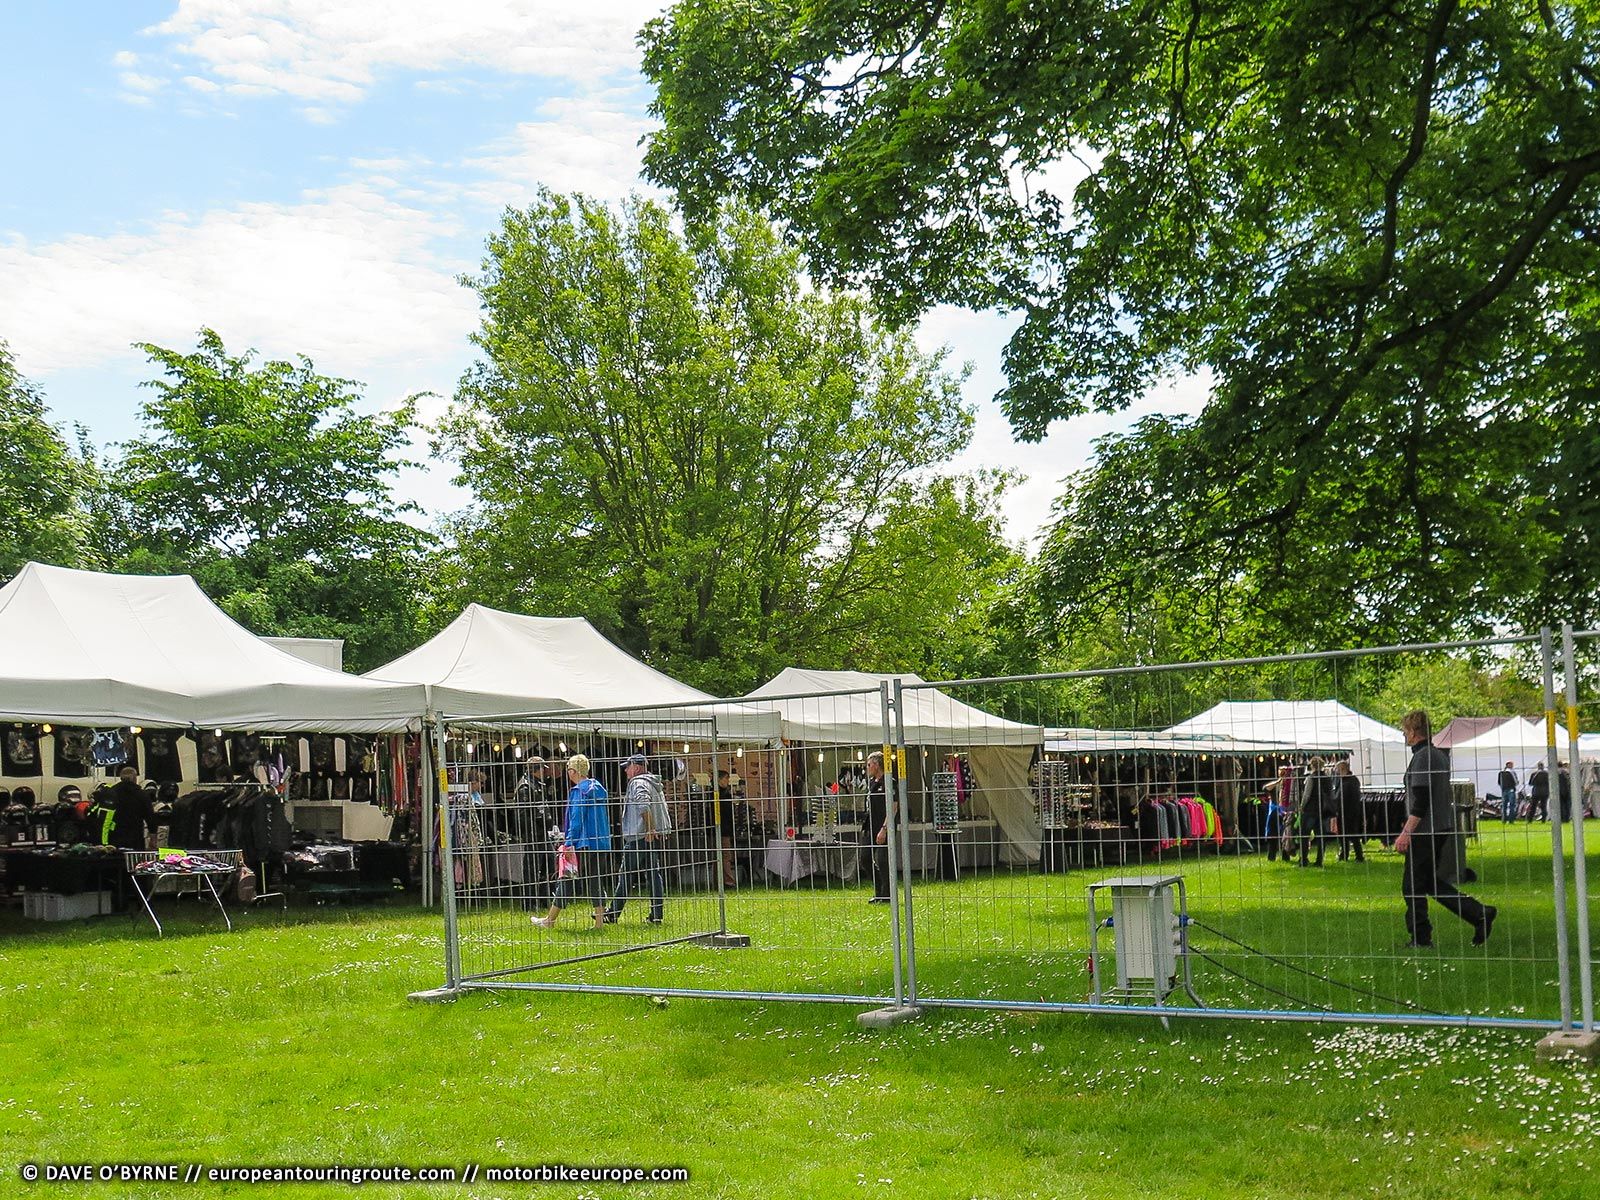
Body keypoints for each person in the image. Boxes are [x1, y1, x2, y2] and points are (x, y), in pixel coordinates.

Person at [1395, 710, 1496, 949]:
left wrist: (1406, 832)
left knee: (1412, 887)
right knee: (1428, 883)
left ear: (1412, 732)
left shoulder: (1423, 758)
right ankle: (1478, 913)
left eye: (1405, 731)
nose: (1404, 735)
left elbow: (1421, 800)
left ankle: (1421, 938)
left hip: (1425, 831)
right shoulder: (1438, 755)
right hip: (1438, 828)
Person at [531, 754, 611, 930]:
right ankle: (599, 923)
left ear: (573, 771)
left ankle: (549, 921)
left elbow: (576, 819)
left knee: (566, 878)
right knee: (595, 881)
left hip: (583, 843)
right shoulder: (598, 788)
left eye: (568, 770)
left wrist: (568, 842)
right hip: (601, 842)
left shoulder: (579, 791)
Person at [605, 754, 667, 925]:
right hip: (651, 836)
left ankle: (612, 913)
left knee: (625, 874)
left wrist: (649, 828)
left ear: (637, 768)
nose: (625, 770)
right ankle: (656, 914)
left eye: (628, 766)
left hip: (640, 835)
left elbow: (643, 804)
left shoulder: (638, 783)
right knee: (653, 874)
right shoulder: (652, 782)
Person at [1296, 756, 1337, 867]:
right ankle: (1319, 860)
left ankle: (1303, 860)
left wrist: (1301, 806)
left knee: (1305, 835)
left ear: (1312, 765)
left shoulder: (1311, 778)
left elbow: (1307, 795)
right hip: (1323, 811)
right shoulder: (1327, 778)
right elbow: (1331, 794)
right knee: (1321, 836)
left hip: (1310, 810)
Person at [105, 765, 158, 851]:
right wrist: (153, 838)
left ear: (121, 778)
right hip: (135, 836)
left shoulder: (111, 793)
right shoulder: (142, 794)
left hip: (114, 836)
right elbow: (150, 818)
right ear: (135, 778)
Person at [865, 751, 891, 903]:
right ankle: (879, 889)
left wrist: (885, 829)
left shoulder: (888, 781)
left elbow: (893, 807)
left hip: (884, 826)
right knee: (865, 858)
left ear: (876, 764)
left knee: (882, 860)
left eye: (869, 765)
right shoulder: (871, 782)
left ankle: (886, 894)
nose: (867, 768)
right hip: (870, 825)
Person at [1334, 760, 1365, 862]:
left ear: (1342, 769)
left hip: (1349, 812)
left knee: (1351, 834)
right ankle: (1346, 854)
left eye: (1337, 770)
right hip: (1346, 811)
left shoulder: (1349, 781)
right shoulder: (1349, 780)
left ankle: (1357, 855)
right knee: (1345, 834)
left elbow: (1346, 798)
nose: (1336, 772)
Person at [1263, 766, 1293, 862]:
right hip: (1274, 814)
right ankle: (1271, 857)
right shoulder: (1276, 785)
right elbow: (1265, 788)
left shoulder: (1290, 786)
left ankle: (1286, 857)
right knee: (1273, 837)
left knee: (1285, 835)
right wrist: (1278, 781)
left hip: (1285, 813)